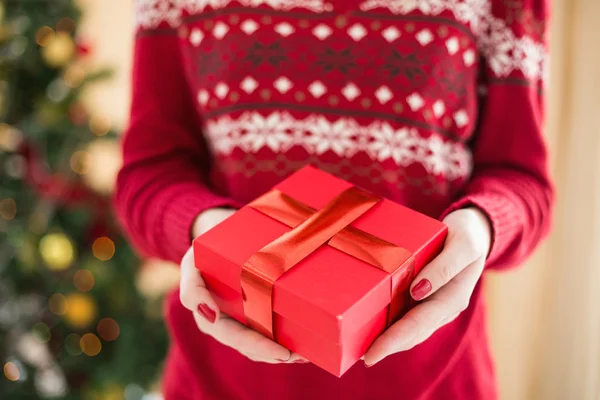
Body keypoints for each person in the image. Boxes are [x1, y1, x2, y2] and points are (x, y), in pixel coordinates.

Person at [115, 1, 554, 399]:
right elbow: (150, 176)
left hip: (434, 380)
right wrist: (208, 231)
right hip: (223, 380)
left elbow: (522, 181)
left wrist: (480, 227)